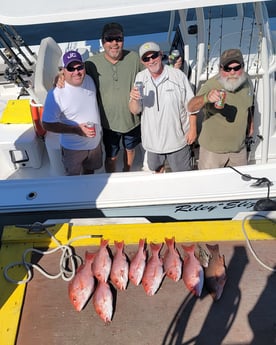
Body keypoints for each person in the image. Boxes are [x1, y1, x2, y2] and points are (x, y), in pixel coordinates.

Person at [129, 42, 197, 173]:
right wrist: (134, 99)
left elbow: (191, 105)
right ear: (142, 62)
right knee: (157, 175)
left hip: (178, 142)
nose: (151, 61)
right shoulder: (140, 78)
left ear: (161, 55)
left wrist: (193, 129)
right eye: (146, 58)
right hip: (152, 144)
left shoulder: (178, 76)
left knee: (183, 178)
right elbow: (135, 110)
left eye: (154, 56)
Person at [84, 22, 144, 173]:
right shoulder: (92, 63)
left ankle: (126, 172)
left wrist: (173, 68)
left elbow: (151, 73)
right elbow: (75, 75)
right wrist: (59, 77)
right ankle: (110, 177)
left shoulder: (134, 58)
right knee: (111, 156)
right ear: (102, 41)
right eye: (109, 39)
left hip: (132, 120)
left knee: (130, 149)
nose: (114, 43)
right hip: (107, 123)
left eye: (118, 38)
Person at [187, 48, 254, 169]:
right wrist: (206, 97)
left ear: (243, 67)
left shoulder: (247, 81)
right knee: (209, 186)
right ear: (220, 68)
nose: (232, 72)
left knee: (238, 186)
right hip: (212, 153)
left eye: (237, 68)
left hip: (238, 150)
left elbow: (249, 105)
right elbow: (191, 106)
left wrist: (251, 124)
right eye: (227, 69)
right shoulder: (211, 84)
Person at [42, 50, 102, 175]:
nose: (76, 72)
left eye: (79, 67)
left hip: (95, 144)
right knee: (72, 176)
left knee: (90, 171)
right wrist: (76, 129)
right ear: (63, 70)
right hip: (73, 148)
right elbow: (47, 124)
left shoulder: (89, 79)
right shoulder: (56, 94)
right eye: (70, 68)